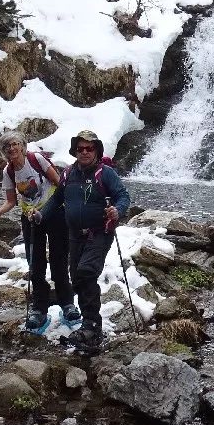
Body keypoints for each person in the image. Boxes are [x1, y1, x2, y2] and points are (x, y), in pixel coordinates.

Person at [0, 131, 73, 333]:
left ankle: (67, 304)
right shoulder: (9, 172)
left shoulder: (37, 159)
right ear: (4, 151)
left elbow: (59, 184)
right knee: (36, 263)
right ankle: (39, 308)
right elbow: (11, 201)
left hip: (54, 214)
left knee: (59, 259)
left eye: (15, 144)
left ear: (23, 146)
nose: (12, 149)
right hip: (30, 219)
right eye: (8, 146)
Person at [60, 130, 130, 352]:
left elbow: (123, 196)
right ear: (75, 151)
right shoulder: (68, 174)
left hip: (99, 232)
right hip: (74, 235)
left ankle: (92, 325)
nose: (84, 152)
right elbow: (55, 200)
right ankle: (88, 325)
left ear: (97, 151)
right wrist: (40, 214)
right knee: (77, 278)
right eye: (80, 149)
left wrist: (117, 211)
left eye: (89, 148)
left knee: (86, 271)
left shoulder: (105, 173)